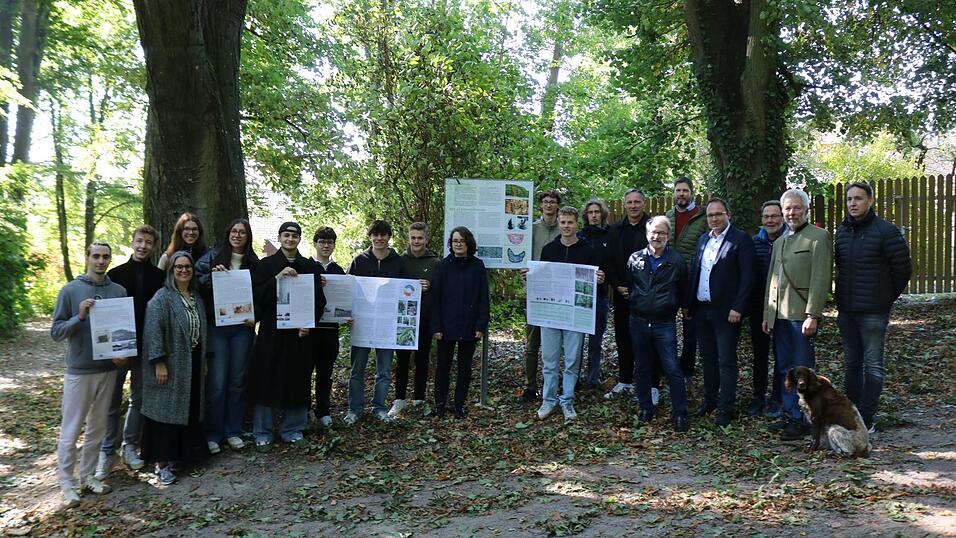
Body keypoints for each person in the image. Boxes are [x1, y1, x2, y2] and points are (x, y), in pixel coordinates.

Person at [51, 242, 127, 508]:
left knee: (98, 428)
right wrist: (79, 316)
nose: (101, 261)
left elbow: (122, 329)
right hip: (80, 371)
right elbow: (56, 332)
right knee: (71, 429)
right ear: (87, 257)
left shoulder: (118, 290)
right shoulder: (71, 290)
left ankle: (87, 477)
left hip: (108, 370)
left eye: (105, 257)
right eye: (96, 256)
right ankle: (67, 484)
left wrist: (122, 352)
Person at [835, 182, 911, 432]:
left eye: (858, 198)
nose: (853, 203)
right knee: (851, 364)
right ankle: (852, 413)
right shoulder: (842, 232)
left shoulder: (886, 231)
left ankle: (867, 418)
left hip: (873, 312)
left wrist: (884, 298)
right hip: (847, 310)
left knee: (873, 364)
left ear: (870, 201)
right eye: (849, 199)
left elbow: (903, 269)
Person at [247, 222, 325, 450]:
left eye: (294, 235)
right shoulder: (266, 265)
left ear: (299, 239)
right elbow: (257, 296)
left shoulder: (310, 267)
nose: (290, 239)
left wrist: (309, 324)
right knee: (265, 380)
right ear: (279, 238)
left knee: (298, 379)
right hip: (271, 332)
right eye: (286, 235)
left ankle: (293, 429)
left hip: (299, 336)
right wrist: (278, 278)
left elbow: (319, 301)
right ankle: (263, 432)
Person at [96, 226, 164, 480]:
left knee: (140, 400)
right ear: (132, 242)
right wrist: (112, 349)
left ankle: (130, 447)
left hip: (146, 347)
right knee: (111, 402)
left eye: (148, 242)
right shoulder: (114, 275)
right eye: (139, 241)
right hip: (118, 349)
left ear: (154, 246)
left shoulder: (159, 277)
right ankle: (107, 451)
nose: (143, 246)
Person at [763, 189, 832, 441]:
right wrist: (767, 315)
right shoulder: (780, 240)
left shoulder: (818, 237)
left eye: (796, 208)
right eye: (788, 209)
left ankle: (806, 418)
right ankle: (791, 413)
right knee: (784, 370)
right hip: (779, 316)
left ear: (806, 209)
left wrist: (813, 314)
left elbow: (820, 278)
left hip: (801, 316)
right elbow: (772, 281)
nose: (792, 213)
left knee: (804, 372)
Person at [140, 250, 209, 485]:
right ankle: (161, 463)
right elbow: (153, 331)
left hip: (193, 361)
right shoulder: (162, 297)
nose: (183, 270)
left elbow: (202, 331)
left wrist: (205, 359)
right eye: (178, 267)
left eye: (187, 267)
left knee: (187, 409)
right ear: (171, 271)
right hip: (170, 362)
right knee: (164, 413)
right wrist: (158, 362)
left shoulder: (195, 297)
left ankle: (182, 456)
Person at [533, 207, 605, 421]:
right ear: (559, 223)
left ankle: (567, 401)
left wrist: (599, 280)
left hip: (575, 314)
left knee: (573, 360)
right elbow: (542, 279)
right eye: (563, 222)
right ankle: (548, 400)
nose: (566, 226)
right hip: (551, 312)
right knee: (550, 360)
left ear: (576, 224)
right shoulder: (549, 249)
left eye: (570, 222)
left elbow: (593, 286)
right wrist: (531, 276)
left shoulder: (588, 250)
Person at [195, 218, 260, 453]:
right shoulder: (212, 257)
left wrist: (257, 316)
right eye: (234, 231)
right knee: (217, 382)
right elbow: (192, 282)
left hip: (242, 328)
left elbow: (262, 296)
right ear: (228, 234)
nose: (237, 235)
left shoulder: (254, 263)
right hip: (217, 327)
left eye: (242, 232)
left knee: (237, 382)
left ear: (247, 236)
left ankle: (233, 431)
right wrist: (212, 276)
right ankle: (213, 434)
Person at [689, 199, 755, 427]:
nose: (714, 219)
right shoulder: (703, 239)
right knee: (707, 358)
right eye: (710, 215)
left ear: (728, 214)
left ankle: (726, 408)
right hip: (702, 309)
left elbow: (748, 277)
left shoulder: (740, 239)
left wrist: (738, 307)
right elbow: (696, 271)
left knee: (726, 360)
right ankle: (710, 400)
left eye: (719, 214)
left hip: (727, 312)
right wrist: (690, 305)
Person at [626, 217, 691, 432]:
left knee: (672, 367)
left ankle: (680, 413)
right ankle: (645, 407)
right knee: (642, 366)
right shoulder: (635, 259)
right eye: (654, 232)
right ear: (647, 234)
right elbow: (630, 285)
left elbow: (684, 290)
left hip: (665, 323)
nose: (657, 236)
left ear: (668, 236)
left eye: (662, 233)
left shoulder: (677, 261)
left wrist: (682, 308)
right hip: (639, 321)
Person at [345, 220, 406, 424]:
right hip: (362, 324)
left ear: (389, 237)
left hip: (387, 325)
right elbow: (348, 289)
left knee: (385, 371)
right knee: (357, 370)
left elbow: (406, 292)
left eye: (383, 235)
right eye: (375, 235)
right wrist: (346, 314)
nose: (379, 238)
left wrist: (419, 287)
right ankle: (354, 410)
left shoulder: (398, 262)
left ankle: (379, 408)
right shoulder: (359, 261)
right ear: (369, 237)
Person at [429, 226, 489, 419]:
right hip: (446, 327)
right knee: (443, 367)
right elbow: (435, 298)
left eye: (462, 241)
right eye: (455, 241)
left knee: (465, 368)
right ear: (451, 244)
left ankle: (459, 405)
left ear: (468, 243)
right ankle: (440, 404)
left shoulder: (477, 266)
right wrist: (436, 326)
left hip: (469, 326)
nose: (458, 244)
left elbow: (483, 298)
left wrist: (481, 325)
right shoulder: (443, 266)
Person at [604, 188, 652, 400]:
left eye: (637, 202)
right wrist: (616, 286)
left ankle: (649, 384)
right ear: (625, 205)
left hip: (646, 295)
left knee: (646, 340)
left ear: (644, 203)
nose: (633, 206)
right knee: (622, 337)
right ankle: (624, 380)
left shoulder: (652, 228)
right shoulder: (615, 229)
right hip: (621, 294)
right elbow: (609, 261)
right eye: (629, 202)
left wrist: (640, 288)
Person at [389, 222, 440, 417]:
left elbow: (441, 291)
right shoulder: (400, 261)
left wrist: (430, 286)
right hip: (403, 319)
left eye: (420, 238)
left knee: (422, 360)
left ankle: (419, 399)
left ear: (426, 239)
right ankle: (399, 399)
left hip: (425, 319)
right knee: (402, 361)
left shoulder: (435, 263)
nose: (416, 241)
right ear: (408, 238)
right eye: (413, 238)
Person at [520, 190, 562, 403]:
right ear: (540, 206)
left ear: (557, 206)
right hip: (535, 291)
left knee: (556, 342)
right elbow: (521, 256)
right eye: (545, 202)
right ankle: (530, 385)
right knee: (532, 341)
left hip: (559, 292)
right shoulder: (532, 229)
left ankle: (552, 385)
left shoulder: (565, 229)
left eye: (552, 202)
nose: (548, 205)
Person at [665, 177, 708, 380]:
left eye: (685, 190)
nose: (681, 194)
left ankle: (687, 368)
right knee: (665, 324)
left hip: (692, 279)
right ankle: (668, 364)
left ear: (692, 192)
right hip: (669, 279)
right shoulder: (668, 216)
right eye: (678, 190)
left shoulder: (702, 216)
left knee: (690, 326)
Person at [748, 201, 787, 417]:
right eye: (766, 217)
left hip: (784, 308)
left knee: (781, 355)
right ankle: (758, 396)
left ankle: (778, 398)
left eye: (774, 216)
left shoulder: (789, 240)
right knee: (760, 355)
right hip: (759, 308)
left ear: (782, 217)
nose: (770, 220)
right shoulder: (754, 243)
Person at [311, 226, 346, 427]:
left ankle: (323, 410)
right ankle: (304, 408)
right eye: (322, 242)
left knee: (326, 372)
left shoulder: (338, 270)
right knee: (305, 370)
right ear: (315, 244)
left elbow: (345, 300)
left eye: (330, 242)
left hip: (330, 330)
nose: (326, 245)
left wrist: (347, 315)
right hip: (309, 329)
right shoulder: (307, 266)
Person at [577, 198, 611, 389]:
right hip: (580, 296)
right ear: (586, 215)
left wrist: (606, 276)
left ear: (602, 214)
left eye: (597, 212)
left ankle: (592, 379)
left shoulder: (609, 236)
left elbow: (613, 264)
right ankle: (574, 377)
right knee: (577, 342)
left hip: (600, 295)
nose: (594, 215)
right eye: (590, 212)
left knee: (595, 341)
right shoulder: (579, 236)